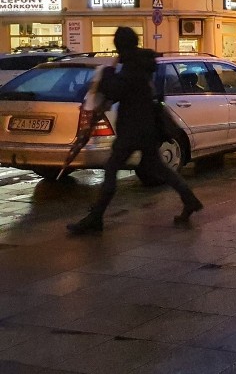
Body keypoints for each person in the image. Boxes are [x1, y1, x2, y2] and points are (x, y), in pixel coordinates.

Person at [67, 27, 203, 235]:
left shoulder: (131, 68)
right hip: (146, 128)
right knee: (161, 168)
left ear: (120, 45)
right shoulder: (141, 63)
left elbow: (113, 89)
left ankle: (96, 218)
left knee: (112, 169)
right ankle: (190, 200)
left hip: (132, 129)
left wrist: (108, 71)